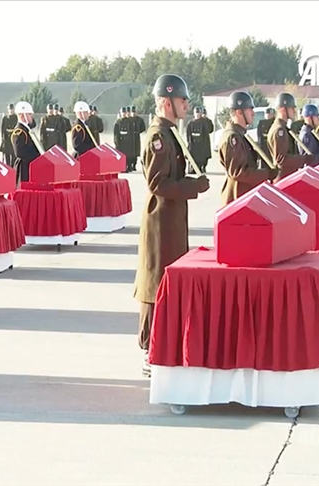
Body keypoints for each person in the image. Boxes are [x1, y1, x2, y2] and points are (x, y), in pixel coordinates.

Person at [134, 74, 209, 377]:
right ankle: (150, 351)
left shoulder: (170, 133)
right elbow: (157, 184)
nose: (187, 105)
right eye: (182, 100)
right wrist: (192, 186)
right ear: (167, 102)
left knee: (167, 283)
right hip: (160, 222)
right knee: (155, 284)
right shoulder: (159, 137)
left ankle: (164, 347)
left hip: (172, 220)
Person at [218, 91, 278, 206]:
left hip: (243, 197)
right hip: (237, 199)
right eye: (250, 110)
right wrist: (267, 174)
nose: (253, 114)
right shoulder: (232, 137)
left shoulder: (239, 134)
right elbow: (238, 173)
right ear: (239, 112)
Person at [266, 93, 312, 181]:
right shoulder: (279, 130)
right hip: (283, 178)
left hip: (287, 176)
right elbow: (281, 159)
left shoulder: (282, 127)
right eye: (292, 108)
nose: (294, 111)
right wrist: (305, 159)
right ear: (283, 109)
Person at [11, 101, 42, 186]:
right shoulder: (19, 131)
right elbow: (19, 152)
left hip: (29, 166)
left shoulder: (26, 129)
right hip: (23, 168)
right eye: (29, 114)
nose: (32, 116)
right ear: (22, 115)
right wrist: (36, 157)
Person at [186, 107, 211, 173]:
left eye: (198, 113)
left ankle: (201, 167)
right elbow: (188, 134)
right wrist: (189, 142)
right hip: (193, 143)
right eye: (196, 113)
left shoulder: (204, 123)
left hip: (201, 143)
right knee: (192, 157)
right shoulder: (190, 123)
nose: (197, 114)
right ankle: (192, 168)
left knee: (201, 158)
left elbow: (207, 132)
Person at [114, 107, 135, 172]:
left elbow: (131, 131)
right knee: (121, 154)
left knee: (128, 154)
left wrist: (131, 140)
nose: (123, 114)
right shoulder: (117, 122)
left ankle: (127, 166)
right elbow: (116, 133)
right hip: (121, 140)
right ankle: (121, 167)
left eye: (124, 112)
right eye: (122, 112)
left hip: (127, 140)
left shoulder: (129, 121)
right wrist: (116, 141)